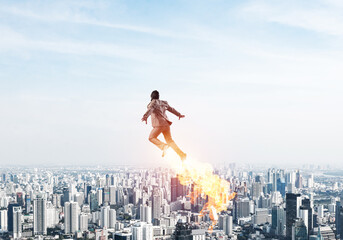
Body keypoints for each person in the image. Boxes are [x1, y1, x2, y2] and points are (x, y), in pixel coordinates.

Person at [141, 90, 187, 161]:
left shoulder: (153, 103)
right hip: (166, 124)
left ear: (151, 96)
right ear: (158, 96)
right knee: (170, 141)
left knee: (151, 137)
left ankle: (163, 146)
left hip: (159, 125)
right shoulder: (163, 103)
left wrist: (145, 116)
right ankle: (181, 154)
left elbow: (150, 109)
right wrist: (179, 114)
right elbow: (171, 109)